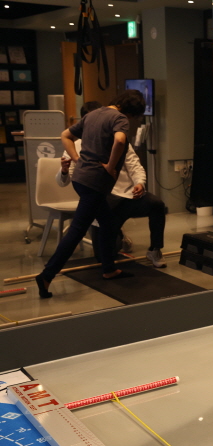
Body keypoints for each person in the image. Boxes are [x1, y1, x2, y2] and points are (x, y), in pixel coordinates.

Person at [35, 90, 145, 299]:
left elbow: (65, 135)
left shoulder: (93, 114)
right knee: (77, 230)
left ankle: (109, 269)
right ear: (131, 110)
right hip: (95, 183)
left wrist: (77, 159)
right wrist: (110, 166)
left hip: (82, 180)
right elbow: (120, 141)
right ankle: (46, 275)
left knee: (108, 223)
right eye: (133, 115)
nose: (131, 119)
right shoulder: (119, 118)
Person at [56, 101, 167, 268]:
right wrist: (64, 170)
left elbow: (134, 165)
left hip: (127, 196)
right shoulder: (75, 146)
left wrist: (140, 183)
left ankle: (155, 249)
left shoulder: (117, 138)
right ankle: (117, 235)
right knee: (104, 256)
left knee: (156, 204)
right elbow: (64, 181)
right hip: (103, 201)